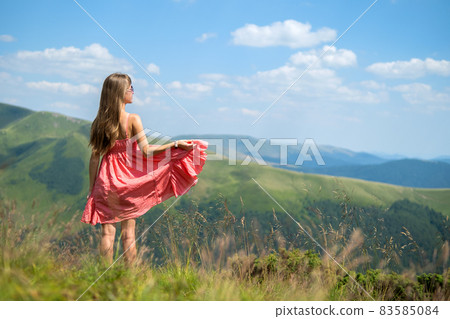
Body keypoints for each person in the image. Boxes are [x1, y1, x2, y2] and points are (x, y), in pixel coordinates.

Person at [81, 73, 207, 266]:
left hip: (106, 181)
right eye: (130, 88)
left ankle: (103, 275)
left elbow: (94, 158)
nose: (133, 92)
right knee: (128, 235)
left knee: (107, 233)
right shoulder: (132, 119)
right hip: (128, 183)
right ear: (120, 92)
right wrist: (174, 145)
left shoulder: (99, 122)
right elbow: (147, 151)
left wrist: (92, 188)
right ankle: (130, 278)